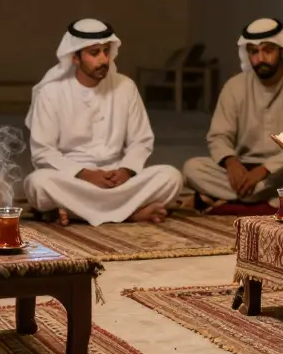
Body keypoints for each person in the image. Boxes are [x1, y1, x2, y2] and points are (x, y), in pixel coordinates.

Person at [23, 19, 183, 225]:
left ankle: (74, 212)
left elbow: (141, 141)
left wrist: (126, 170)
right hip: (74, 179)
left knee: (171, 177)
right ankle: (131, 213)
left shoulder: (125, 87)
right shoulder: (51, 92)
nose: (104, 59)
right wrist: (85, 174)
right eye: (94, 53)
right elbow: (43, 152)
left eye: (106, 51)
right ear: (74, 57)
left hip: (118, 180)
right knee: (38, 183)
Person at [183, 18, 283, 208]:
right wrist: (231, 162)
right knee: (192, 168)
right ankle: (272, 203)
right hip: (245, 168)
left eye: (268, 50)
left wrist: (265, 170)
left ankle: (233, 201)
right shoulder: (235, 86)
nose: (260, 58)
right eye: (253, 51)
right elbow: (219, 135)